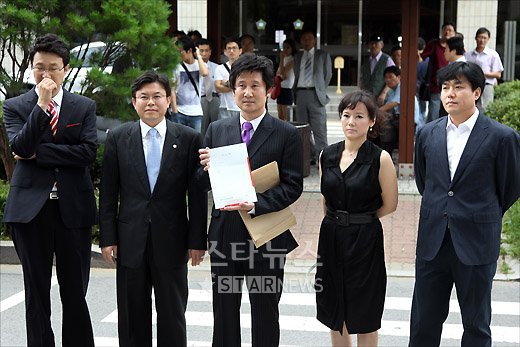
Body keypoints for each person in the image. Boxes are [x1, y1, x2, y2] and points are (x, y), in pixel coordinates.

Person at [409, 61, 520, 347]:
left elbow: (509, 187)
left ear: (477, 93)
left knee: (476, 325)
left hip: (476, 242)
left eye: (459, 87)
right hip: (433, 242)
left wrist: (478, 214)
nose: (450, 94)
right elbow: (427, 184)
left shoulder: (501, 137)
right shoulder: (426, 134)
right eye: (445, 87)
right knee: (423, 323)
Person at [198, 53, 304, 347]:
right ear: (232, 89)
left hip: (267, 236)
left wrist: (256, 203)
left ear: (269, 89)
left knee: (265, 313)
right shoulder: (217, 130)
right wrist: (206, 168)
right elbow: (201, 183)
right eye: (241, 85)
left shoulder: (286, 134)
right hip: (225, 235)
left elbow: (293, 186)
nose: (247, 92)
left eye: (255, 85)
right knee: (224, 313)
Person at [99, 71, 207, 346]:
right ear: (133, 102)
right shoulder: (118, 138)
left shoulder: (188, 138)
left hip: (172, 240)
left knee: (172, 314)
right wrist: (108, 238)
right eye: (143, 97)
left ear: (168, 101)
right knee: (132, 314)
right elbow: (109, 194)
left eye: (157, 96)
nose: (150, 102)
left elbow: (195, 196)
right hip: (130, 240)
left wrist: (197, 241)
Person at [2, 33, 97, 346]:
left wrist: (37, 154)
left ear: (66, 69)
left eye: (53, 68)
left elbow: (87, 153)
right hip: (30, 211)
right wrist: (41, 105)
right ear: (31, 68)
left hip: (73, 208)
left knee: (75, 292)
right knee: (36, 291)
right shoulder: (16, 106)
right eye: (39, 67)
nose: (46, 75)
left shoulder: (83, 106)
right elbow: (20, 145)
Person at [316, 90, 398, 347]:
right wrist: (337, 222)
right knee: (334, 310)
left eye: (359, 116)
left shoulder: (379, 158)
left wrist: (360, 220)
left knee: (365, 313)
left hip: (365, 241)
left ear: (372, 121)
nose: (351, 122)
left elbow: (390, 204)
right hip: (330, 238)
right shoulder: (326, 155)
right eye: (346, 115)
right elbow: (325, 199)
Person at [293, 29, 332, 165]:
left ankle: (323, 158)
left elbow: (327, 75)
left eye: (309, 38)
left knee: (319, 128)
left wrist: (320, 89)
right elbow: (296, 74)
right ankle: (307, 158)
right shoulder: (298, 56)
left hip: (316, 94)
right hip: (301, 93)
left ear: (315, 40)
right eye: (304, 39)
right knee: (302, 128)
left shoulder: (322, 55)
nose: (307, 41)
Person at [171, 35, 209, 132]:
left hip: (195, 111)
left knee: (195, 141)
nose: (178, 54)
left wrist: (199, 55)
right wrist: (174, 111)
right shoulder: (176, 67)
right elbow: (172, 89)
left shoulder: (199, 64)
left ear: (190, 51)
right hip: (180, 111)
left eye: (181, 52)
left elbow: (205, 73)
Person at [420, 22, 456, 122]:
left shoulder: (456, 46)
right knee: (433, 113)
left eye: (450, 30)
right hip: (436, 85)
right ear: (442, 31)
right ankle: (431, 135)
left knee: (450, 114)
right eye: (446, 29)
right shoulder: (434, 44)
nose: (447, 32)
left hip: (453, 86)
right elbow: (421, 58)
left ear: (454, 33)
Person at [465, 27, 504, 109]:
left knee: (486, 109)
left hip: (486, 86)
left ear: (488, 39)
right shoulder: (468, 55)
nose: (482, 40)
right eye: (480, 37)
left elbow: (498, 74)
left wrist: (481, 73)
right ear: (475, 38)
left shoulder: (492, 54)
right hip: (471, 86)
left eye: (484, 38)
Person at [360, 34, 395, 104]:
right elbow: (362, 79)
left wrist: (384, 93)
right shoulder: (367, 62)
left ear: (382, 45)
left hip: (382, 99)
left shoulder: (387, 60)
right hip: (368, 99)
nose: (373, 46)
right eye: (371, 43)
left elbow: (392, 79)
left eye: (376, 43)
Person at [197, 38, 221, 136]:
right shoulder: (194, 66)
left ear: (210, 52)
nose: (204, 54)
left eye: (206, 51)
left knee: (216, 126)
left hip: (214, 97)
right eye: (201, 51)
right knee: (202, 127)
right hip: (201, 98)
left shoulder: (217, 67)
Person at [215, 37, 242, 119]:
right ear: (225, 52)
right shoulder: (220, 68)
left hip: (241, 107)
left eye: (234, 48)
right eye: (229, 48)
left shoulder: (245, 68)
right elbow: (218, 88)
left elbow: (245, 86)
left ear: (240, 51)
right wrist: (236, 86)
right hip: (224, 107)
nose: (231, 51)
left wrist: (226, 83)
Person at [275, 38, 296, 121]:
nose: (285, 50)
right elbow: (278, 73)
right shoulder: (284, 59)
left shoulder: (292, 60)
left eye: (288, 47)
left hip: (288, 88)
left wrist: (281, 59)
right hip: (280, 87)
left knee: (286, 114)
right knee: (280, 114)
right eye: (284, 47)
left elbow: (283, 74)